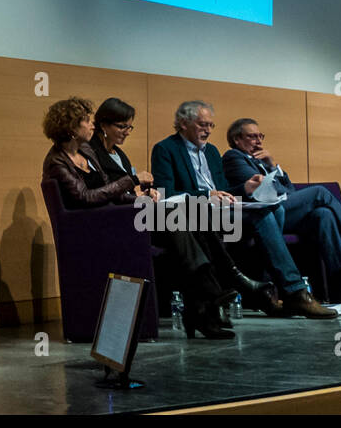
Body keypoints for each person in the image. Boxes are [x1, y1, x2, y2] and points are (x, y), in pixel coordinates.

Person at [41, 97, 233, 339]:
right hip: (93, 227)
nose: (92, 125)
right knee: (178, 218)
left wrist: (140, 199)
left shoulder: (86, 151)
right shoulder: (57, 161)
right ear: (70, 127)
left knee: (190, 217)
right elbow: (87, 197)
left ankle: (205, 307)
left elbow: (110, 190)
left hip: (113, 217)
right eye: (87, 121)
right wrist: (131, 182)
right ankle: (213, 293)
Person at [89, 97, 280, 316]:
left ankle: (215, 298)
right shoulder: (104, 154)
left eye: (129, 127)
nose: (127, 132)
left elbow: (221, 188)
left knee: (261, 212)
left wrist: (144, 191)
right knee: (197, 214)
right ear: (104, 125)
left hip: (184, 211)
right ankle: (230, 284)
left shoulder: (118, 153)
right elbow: (107, 192)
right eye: (122, 126)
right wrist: (136, 188)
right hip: (131, 217)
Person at [151, 100, 337, 319]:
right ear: (183, 123)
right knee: (262, 216)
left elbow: (223, 190)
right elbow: (166, 196)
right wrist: (206, 196)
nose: (208, 130)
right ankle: (293, 292)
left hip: (222, 210)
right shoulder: (165, 149)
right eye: (202, 124)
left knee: (274, 210)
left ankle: (271, 293)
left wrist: (245, 188)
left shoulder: (211, 152)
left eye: (211, 125)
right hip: (196, 213)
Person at [222, 117, 341, 307]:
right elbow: (264, 192)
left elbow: (290, 190)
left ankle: (339, 288)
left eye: (260, 136)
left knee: (323, 215)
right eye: (252, 137)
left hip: (282, 211)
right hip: (262, 215)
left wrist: (272, 164)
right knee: (319, 192)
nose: (259, 141)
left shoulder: (261, 161)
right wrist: (285, 189)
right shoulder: (234, 157)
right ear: (237, 139)